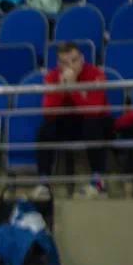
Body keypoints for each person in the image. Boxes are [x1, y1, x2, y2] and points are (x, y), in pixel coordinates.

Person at [37, 42, 109, 197]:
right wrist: (62, 89)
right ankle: (43, 183)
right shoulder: (52, 77)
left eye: (74, 60)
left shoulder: (96, 74)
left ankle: (98, 182)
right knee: (45, 130)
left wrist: (74, 87)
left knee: (93, 126)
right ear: (58, 64)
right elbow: (48, 112)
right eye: (64, 62)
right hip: (67, 122)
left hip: (94, 122)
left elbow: (93, 111)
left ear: (82, 59)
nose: (70, 66)